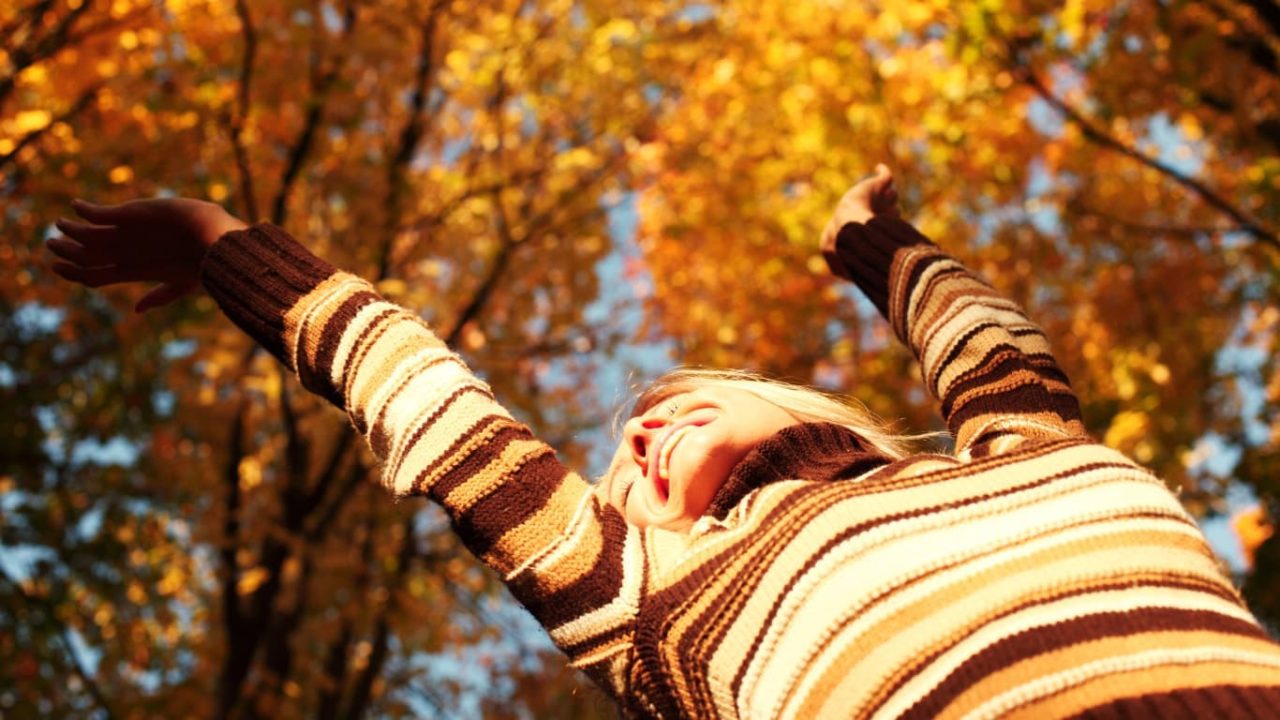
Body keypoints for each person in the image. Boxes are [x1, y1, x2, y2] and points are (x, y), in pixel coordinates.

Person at [48, 166, 1280, 718]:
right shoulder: (654, 601)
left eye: (678, 395)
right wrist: (219, 240)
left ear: (788, 397)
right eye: (617, 460)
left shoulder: (1025, 449)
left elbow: (976, 337)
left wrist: (867, 240)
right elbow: (426, 401)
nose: (638, 426)